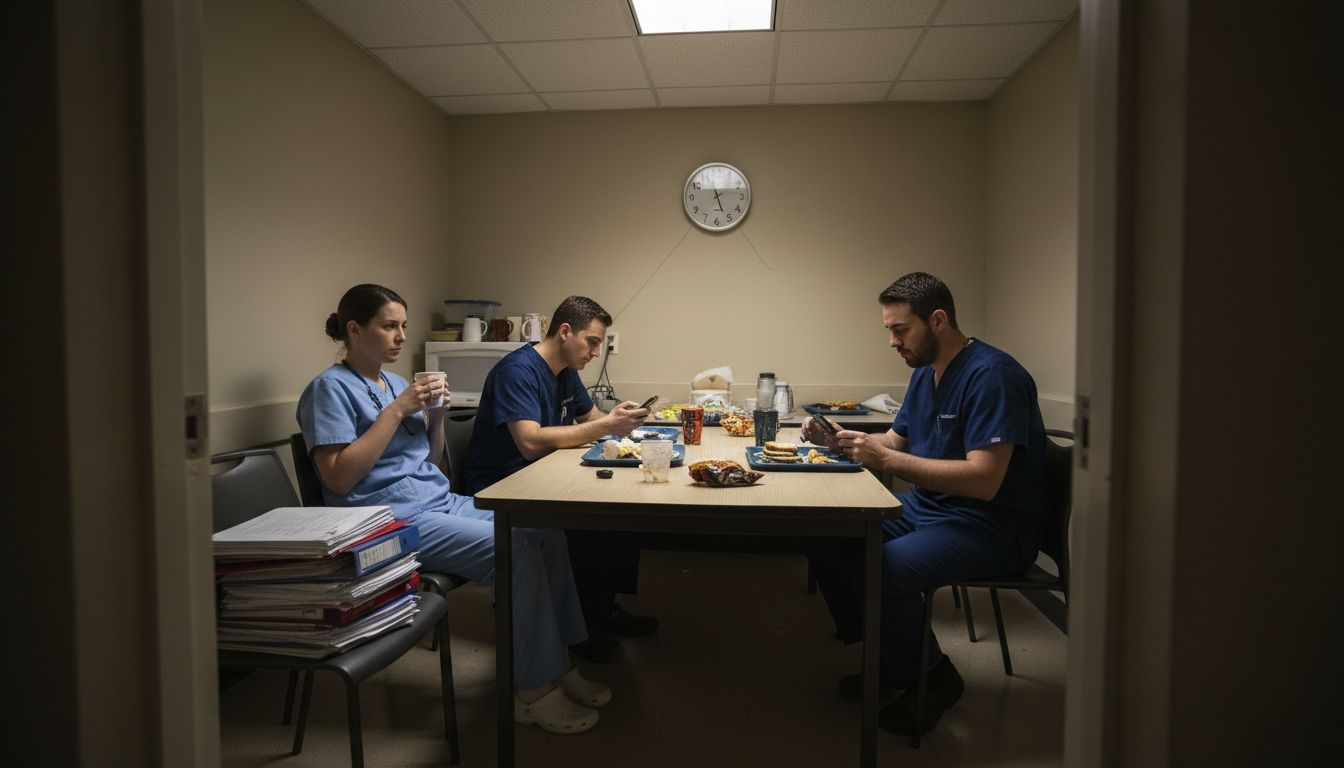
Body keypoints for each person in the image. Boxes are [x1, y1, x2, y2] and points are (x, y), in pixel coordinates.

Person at [296, 283, 610, 735]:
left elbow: (426, 460)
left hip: (437, 499)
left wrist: (436, 417)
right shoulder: (328, 389)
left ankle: (558, 664)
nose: (402, 336)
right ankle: (535, 689)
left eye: (403, 326)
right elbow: (339, 477)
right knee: (518, 546)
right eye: (390, 326)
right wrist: (396, 412)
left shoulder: (396, 383)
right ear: (354, 329)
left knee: (545, 529)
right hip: (386, 518)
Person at [800, 272, 1049, 738]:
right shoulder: (924, 374)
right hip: (930, 510)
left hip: (992, 525)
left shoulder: (994, 376)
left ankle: (934, 678)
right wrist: (842, 442)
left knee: (884, 568)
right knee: (827, 531)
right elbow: (895, 440)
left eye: (900, 330)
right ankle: (892, 660)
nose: (893, 342)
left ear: (938, 320)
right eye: (890, 331)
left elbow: (985, 480)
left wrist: (888, 458)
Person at [463, 295, 659, 663]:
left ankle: (604, 609)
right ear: (565, 332)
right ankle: (579, 629)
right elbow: (530, 443)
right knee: (586, 521)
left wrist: (619, 419)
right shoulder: (517, 371)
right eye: (593, 342)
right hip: (503, 483)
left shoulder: (566, 370)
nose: (596, 353)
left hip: (539, 473)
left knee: (624, 508)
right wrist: (606, 425)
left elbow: (591, 419)